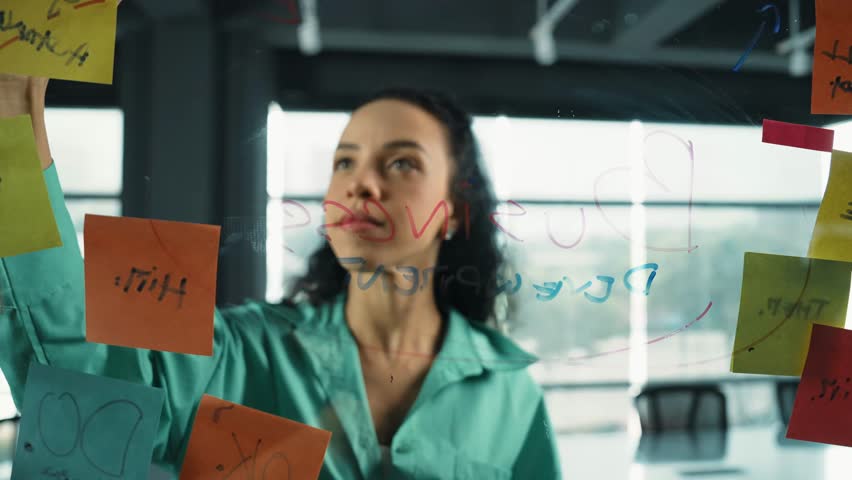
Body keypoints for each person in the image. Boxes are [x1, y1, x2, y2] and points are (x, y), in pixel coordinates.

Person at [0, 72, 562, 478]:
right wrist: (12, 111)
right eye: (345, 162)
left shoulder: (513, 394)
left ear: (455, 212)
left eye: (401, 163)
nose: (360, 184)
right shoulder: (243, 351)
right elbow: (82, 376)